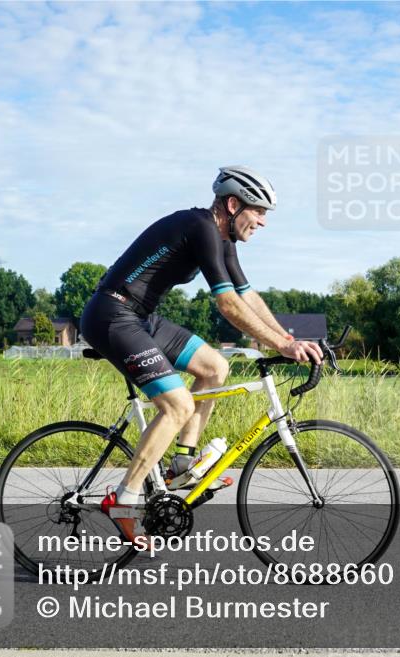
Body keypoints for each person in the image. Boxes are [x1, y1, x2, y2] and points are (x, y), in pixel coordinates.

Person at [79, 166, 323, 539]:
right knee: (178, 405)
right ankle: (124, 499)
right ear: (232, 204)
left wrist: (290, 341)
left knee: (214, 366)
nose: (262, 221)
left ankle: (181, 465)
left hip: (141, 318)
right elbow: (227, 304)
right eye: (258, 211)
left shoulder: (223, 239)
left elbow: (247, 296)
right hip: (112, 315)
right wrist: (283, 346)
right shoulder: (200, 227)